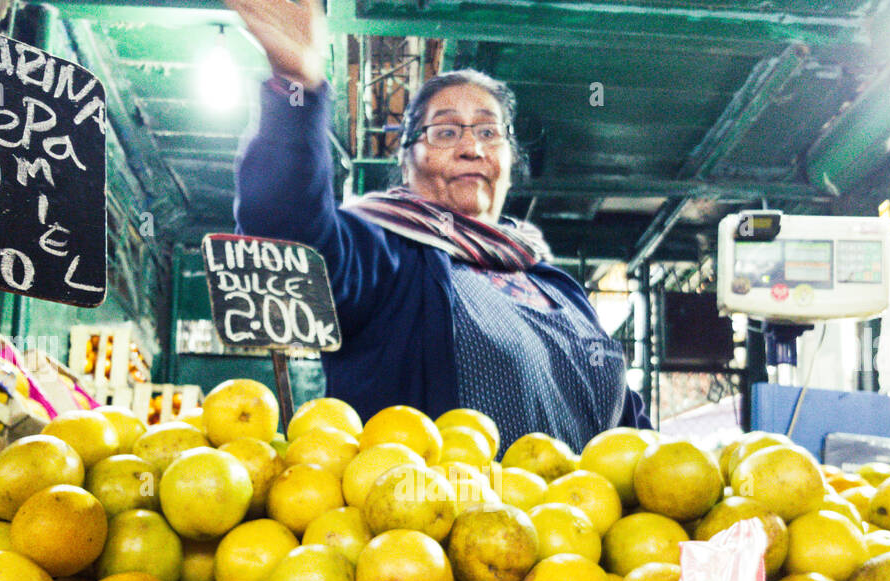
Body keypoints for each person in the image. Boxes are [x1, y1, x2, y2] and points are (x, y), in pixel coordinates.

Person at [226, 0, 651, 451]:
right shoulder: (383, 256)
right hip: (428, 515)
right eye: (446, 132)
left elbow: (632, 432)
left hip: (586, 518)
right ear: (406, 161)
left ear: (510, 160)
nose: (472, 147)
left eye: (489, 132)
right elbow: (284, 238)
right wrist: (297, 90)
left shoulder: (561, 290)